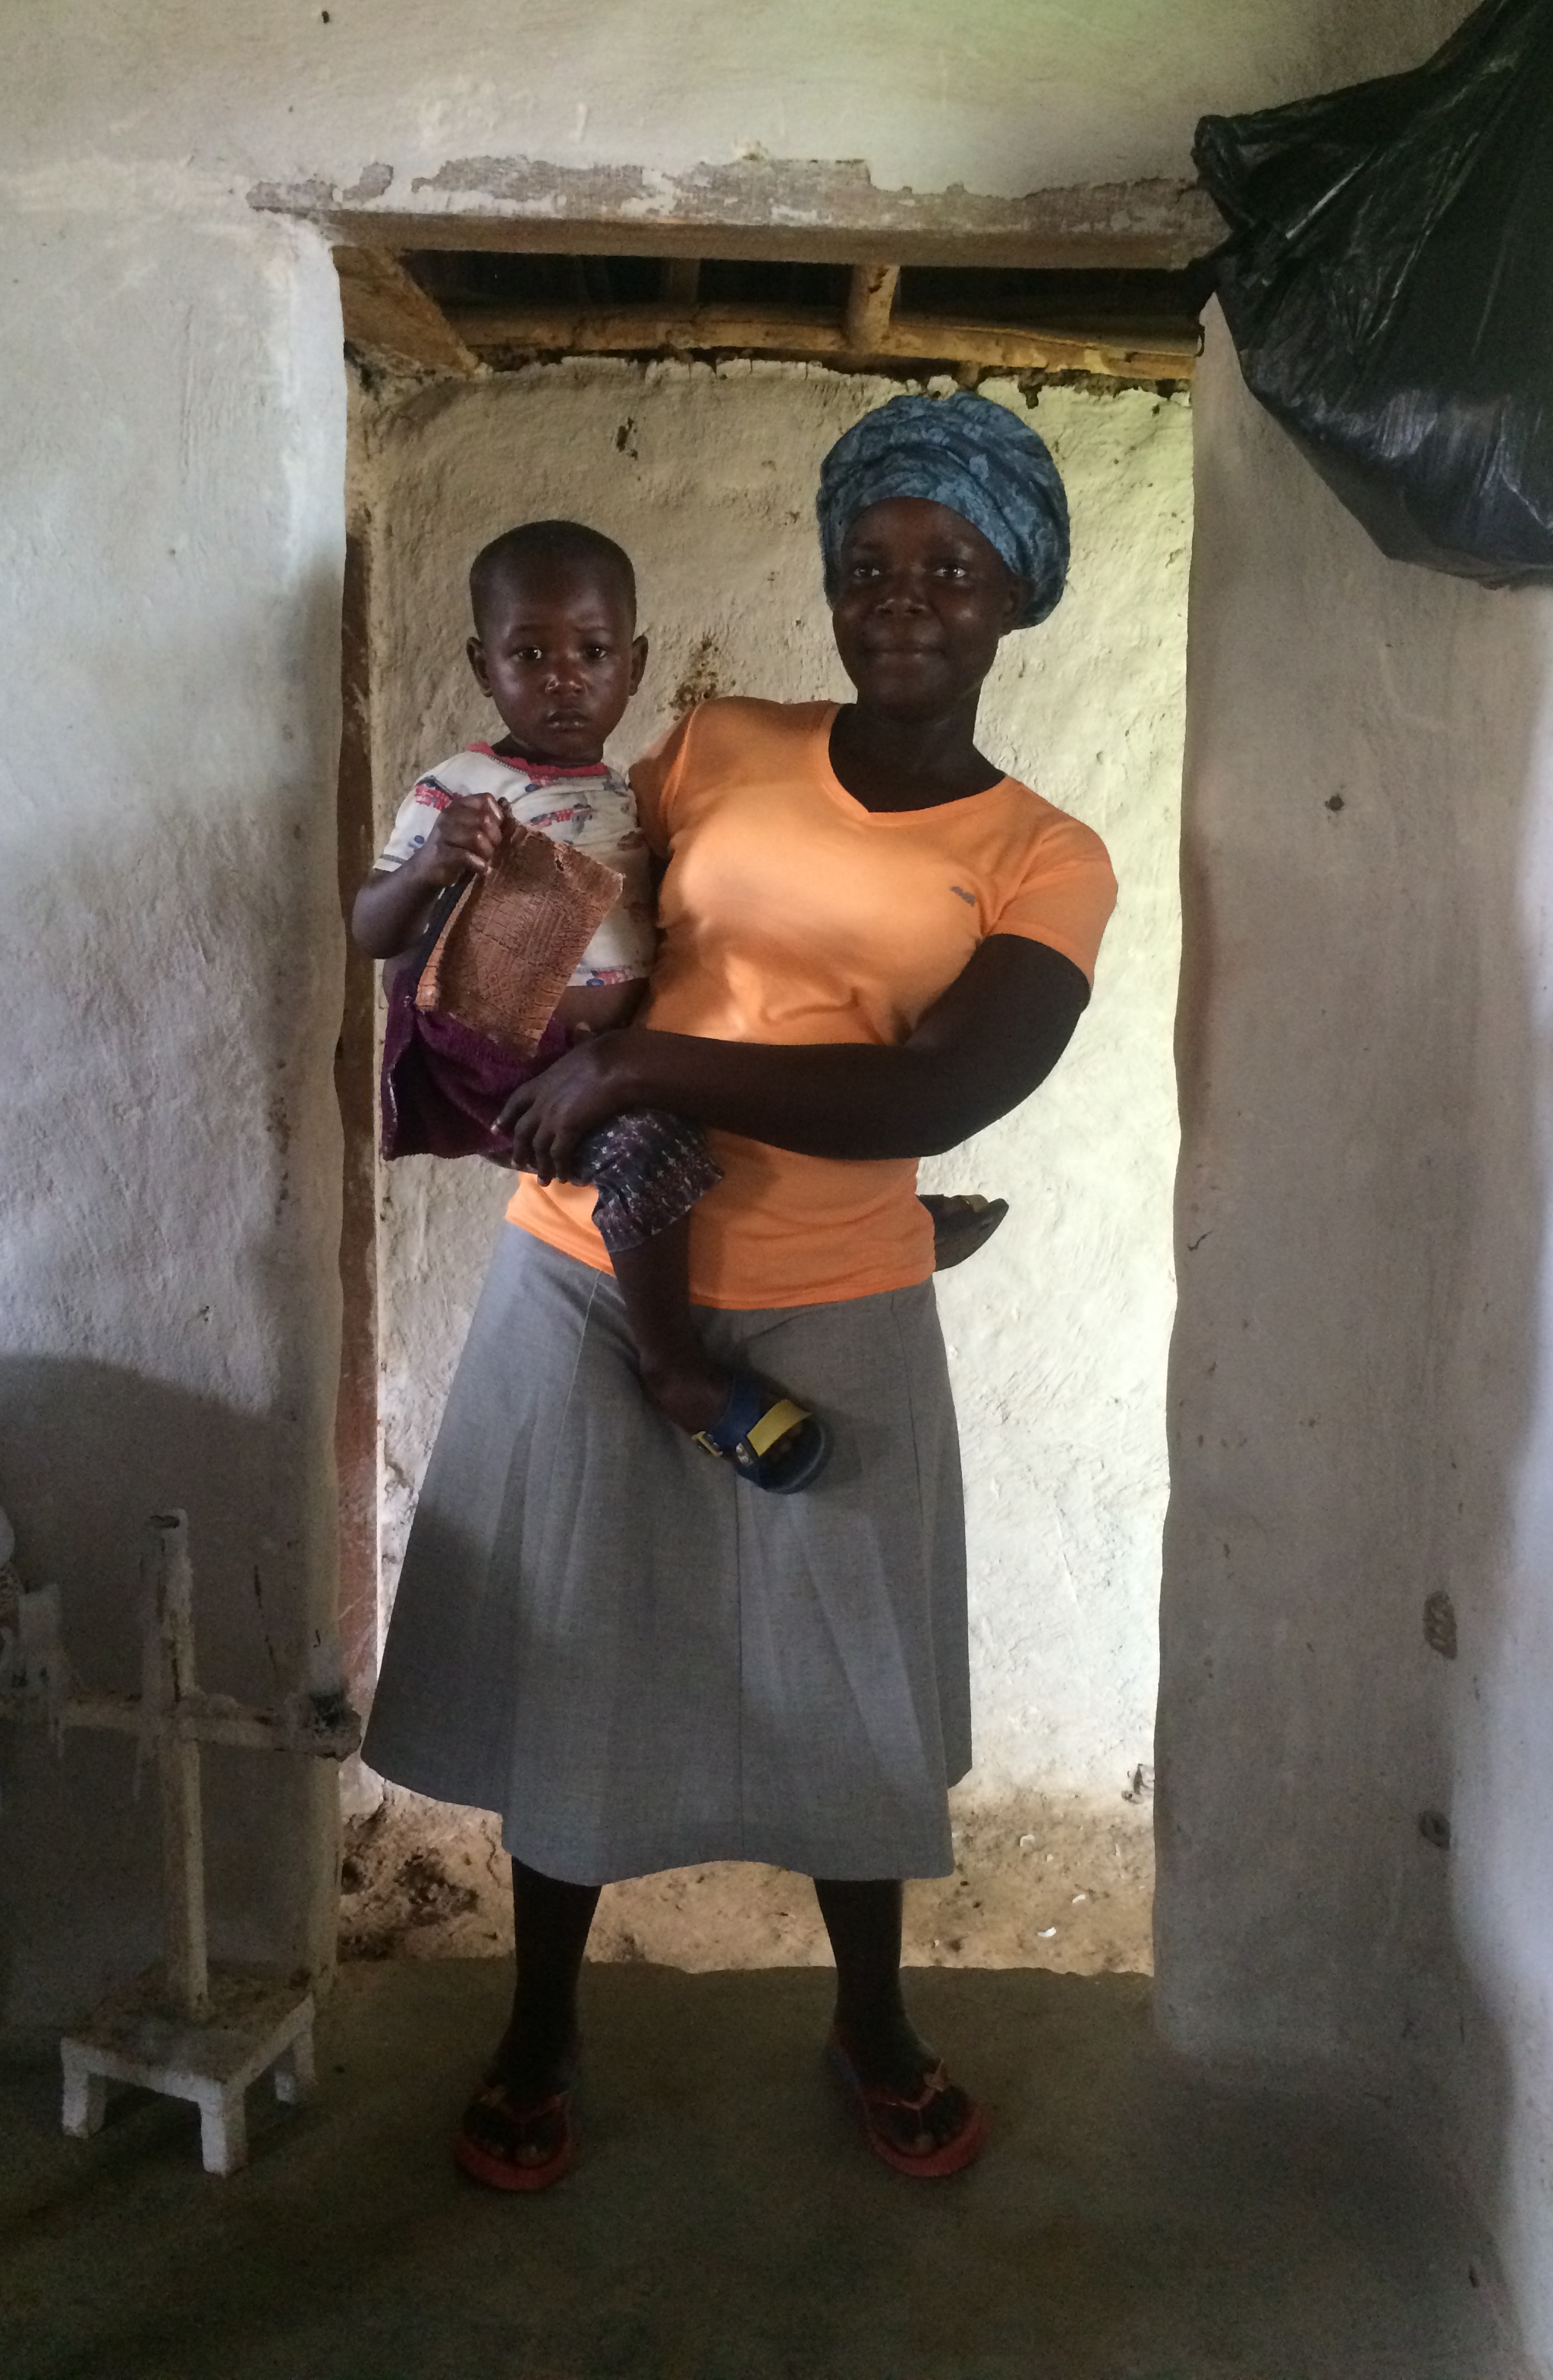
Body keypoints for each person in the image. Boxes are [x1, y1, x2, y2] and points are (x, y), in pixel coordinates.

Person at [360, 393, 1118, 2191]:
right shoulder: (713, 745)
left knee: (845, 1680)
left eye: (950, 566)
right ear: (833, 586)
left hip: (830, 1291)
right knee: (575, 1653)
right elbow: (555, 915)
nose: (903, 597)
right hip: (582, 1274)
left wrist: (646, 1072)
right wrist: (479, 986)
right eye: (872, 563)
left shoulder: (1045, 855)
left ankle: (872, 2019)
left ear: (1016, 592)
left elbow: (940, 1092)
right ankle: (541, 2025)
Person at [351, 520, 827, 1491]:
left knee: (759, 1076)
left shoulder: (630, 795)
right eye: (530, 655)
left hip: (604, 1055)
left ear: (635, 665)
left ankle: (873, 1218)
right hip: (500, 1059)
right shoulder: (462, 789)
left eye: (594, 653)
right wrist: (435, 862)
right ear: (483, 667)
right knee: (646, 1148)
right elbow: (370, 928)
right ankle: (676, 1370)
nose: (564, 679)